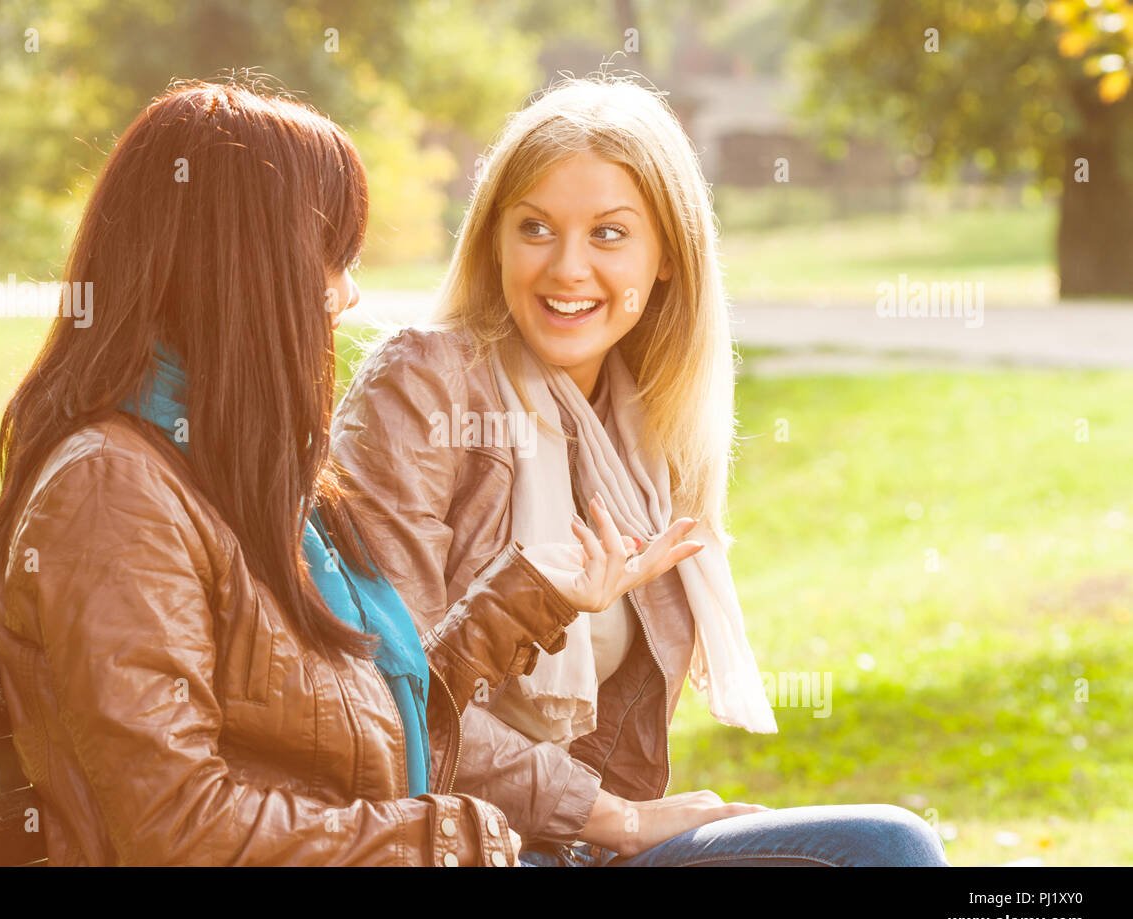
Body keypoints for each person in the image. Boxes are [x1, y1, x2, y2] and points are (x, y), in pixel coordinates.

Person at [0, 79, 700, 866]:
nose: (349, 296)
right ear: (247, 271)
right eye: (333, 258)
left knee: (845, 843)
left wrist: (526, 600)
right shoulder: (114, 494)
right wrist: (458, 837)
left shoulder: (226, 470)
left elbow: (380, 725)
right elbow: (174, 830)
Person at [330, 75, 950, 866]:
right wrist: (612, 817)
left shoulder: (643, 431)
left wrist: (614, 823)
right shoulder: (426, 383)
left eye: (609, 234)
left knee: (884, 848)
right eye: (536, 228)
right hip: (454, 845)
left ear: (666, 257)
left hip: (584, 846)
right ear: (495, 238)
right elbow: (389, 693)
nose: (567, 268)